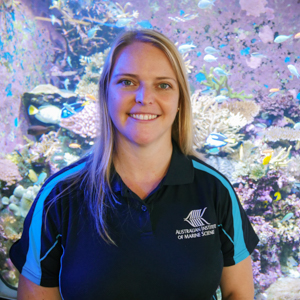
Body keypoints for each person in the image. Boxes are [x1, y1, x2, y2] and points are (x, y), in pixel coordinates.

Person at [10, 29, 259, 300]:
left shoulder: (215, 190)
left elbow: (238, 292)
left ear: (179, 101)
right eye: (128, 82)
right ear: (106, 93)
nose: (144, 97)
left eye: (163, 85)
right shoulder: (58, 196)